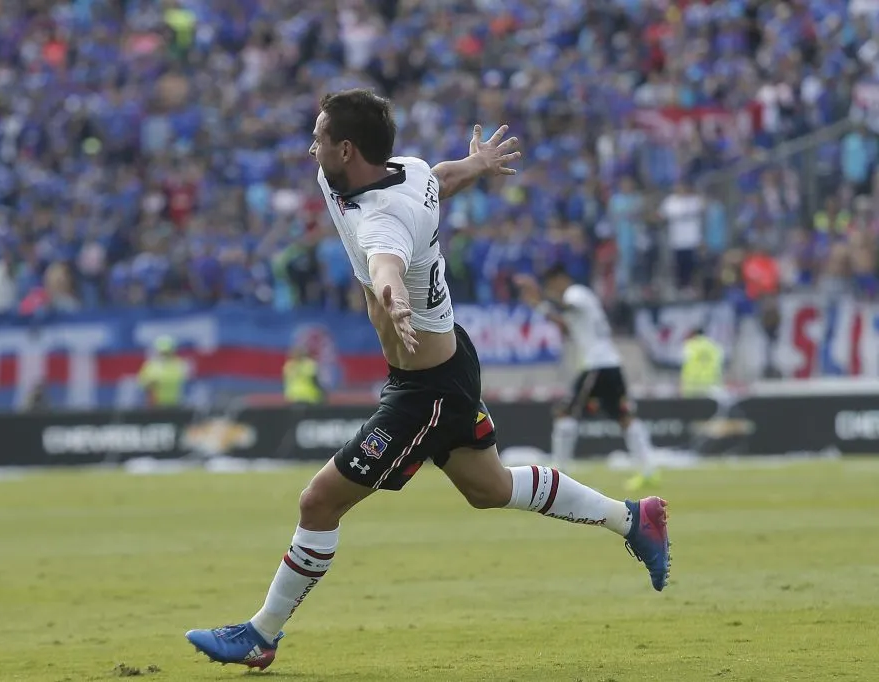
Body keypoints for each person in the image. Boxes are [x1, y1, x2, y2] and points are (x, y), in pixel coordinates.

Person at [184, 89, 670, 670]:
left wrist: (391, 298)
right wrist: (478, 165)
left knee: (317, 503)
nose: (309, 146)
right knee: (488, 488)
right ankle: (633, 519)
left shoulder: (384, 218)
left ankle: (261, 634)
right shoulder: (402, 173)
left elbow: (386, 260)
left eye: (318, 138)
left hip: (428, 389)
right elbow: (436, 179)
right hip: (441, 368)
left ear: (346, 149)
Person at [513, 265, 658, 492]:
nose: (554, 290)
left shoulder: (576, 292)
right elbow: (567, 326)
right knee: (624, 417)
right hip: (610, 363)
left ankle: (559, 473)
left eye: (553, 285)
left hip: (597, 364)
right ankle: (649, 470)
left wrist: (538, 292)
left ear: (561, 279)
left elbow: (566, 306)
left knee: (565, 412)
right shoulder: (583, 298)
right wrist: (538, 305)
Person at [137, 335, 190, 407]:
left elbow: (186, 381)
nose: (164, 355)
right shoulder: (151, 365)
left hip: (176, 404)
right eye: (162, 352)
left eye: (167, 352)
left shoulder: (180, 364)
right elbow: (142, 383)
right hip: (155, 404)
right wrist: (149, 383)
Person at [681, 328, 724, 397]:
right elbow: (718, 365)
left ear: (694, 335)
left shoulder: (690, 346)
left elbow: (684, 362)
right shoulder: (714, 346)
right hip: (711, 384)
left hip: (692, 385)